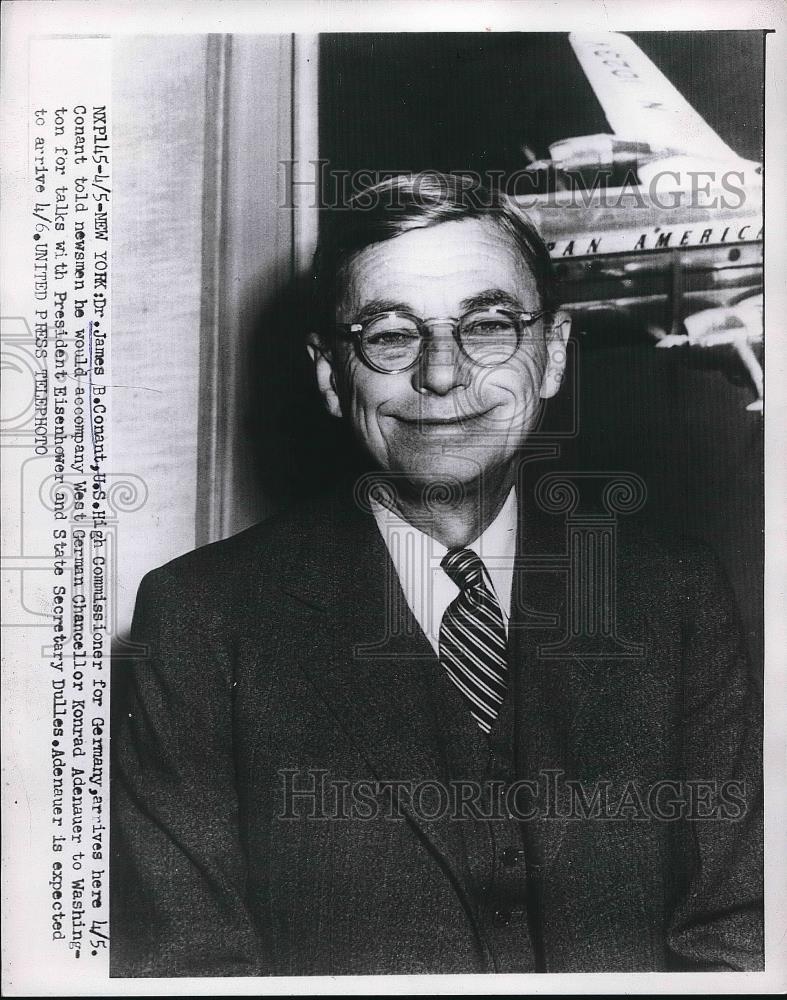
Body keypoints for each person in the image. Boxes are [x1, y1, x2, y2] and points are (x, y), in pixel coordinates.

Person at [110, 173, 763, 977]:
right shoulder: (202, 620)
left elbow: (740, 937)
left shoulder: (675, 594)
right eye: (390, 335)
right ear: (328, 373)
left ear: (551, 354)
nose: (444, 375)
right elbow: (190, 973)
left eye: (487, 326)